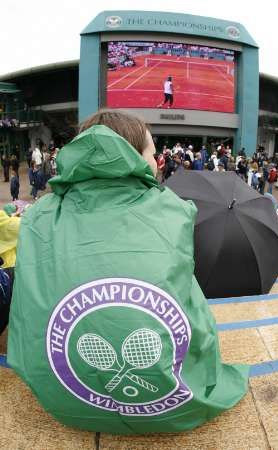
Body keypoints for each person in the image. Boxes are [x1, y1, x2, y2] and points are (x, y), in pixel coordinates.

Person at [8, 109, 248, 434]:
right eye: (152, 152)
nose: (157, 160)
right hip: (169, 402)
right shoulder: (172, 209)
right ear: (131, 156)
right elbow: (189, 311)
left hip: (60, 403)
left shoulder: (37, 217)